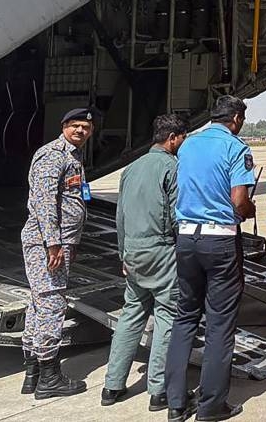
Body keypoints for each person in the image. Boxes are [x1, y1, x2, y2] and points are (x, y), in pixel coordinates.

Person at [165, 95, 257, 422]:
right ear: (235, 119)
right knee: (219, 325)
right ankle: (211, 405)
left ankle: (175, 403)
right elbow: (238, 200)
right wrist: (249, 211)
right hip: (219, 241)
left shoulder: (187, 145)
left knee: (185, 318)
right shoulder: (236, 148)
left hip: (186, 238)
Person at [102, 114, 188, 410]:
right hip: (161, 250)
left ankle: (112, 385)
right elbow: (177, 215)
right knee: (166, 315)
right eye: (182, 138)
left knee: (131, 315)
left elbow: (120, 216)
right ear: (173, 137)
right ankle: (158, 389)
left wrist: (123, 254)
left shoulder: (132, 168)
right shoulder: (172, 167)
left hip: (133, 252)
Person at [19, 108, 95, 399]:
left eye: (86, 127)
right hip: (46, 243)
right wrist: (54, 244)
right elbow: (44, 202)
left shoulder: (72, 156)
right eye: (75, 125)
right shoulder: (53, 155)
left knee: (39, 304)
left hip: (58, 242)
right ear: (64, 126)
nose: (80, 131)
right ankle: (49, 377)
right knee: (51, 305)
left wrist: (70, 243)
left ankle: (32, 373)